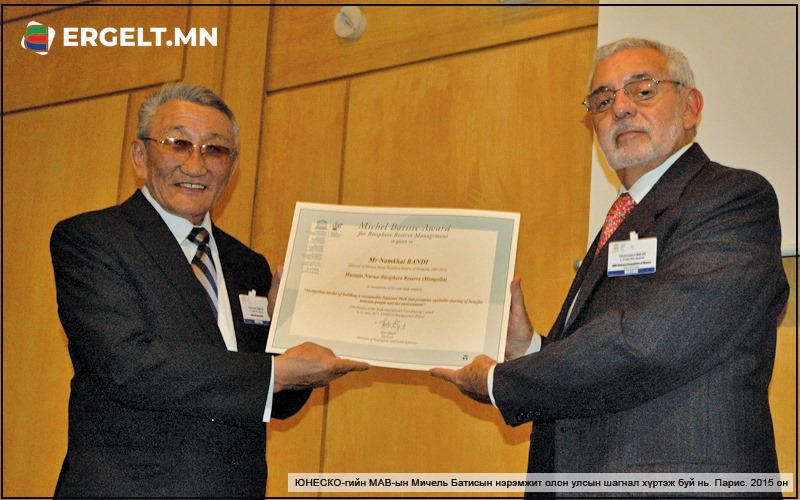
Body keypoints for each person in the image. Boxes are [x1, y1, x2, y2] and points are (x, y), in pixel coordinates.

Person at [431, 38, 789, 496]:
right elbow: (601, 361)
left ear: (690, 107)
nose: (619, 108)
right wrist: (529, 349)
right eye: (602, 101)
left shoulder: (732, 198)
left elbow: (649, 344)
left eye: (643, 90)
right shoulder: (620, 220)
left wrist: (500, 381)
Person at [50, 82, 370, 497]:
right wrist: (274, 372)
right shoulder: (93, 239)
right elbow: (128, 364)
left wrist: (289, 335)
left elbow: (273, 401)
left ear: (232, 168)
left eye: (214, 150)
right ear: (140, 156)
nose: (196, 165)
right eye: (178, 143)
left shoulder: (248, 265)